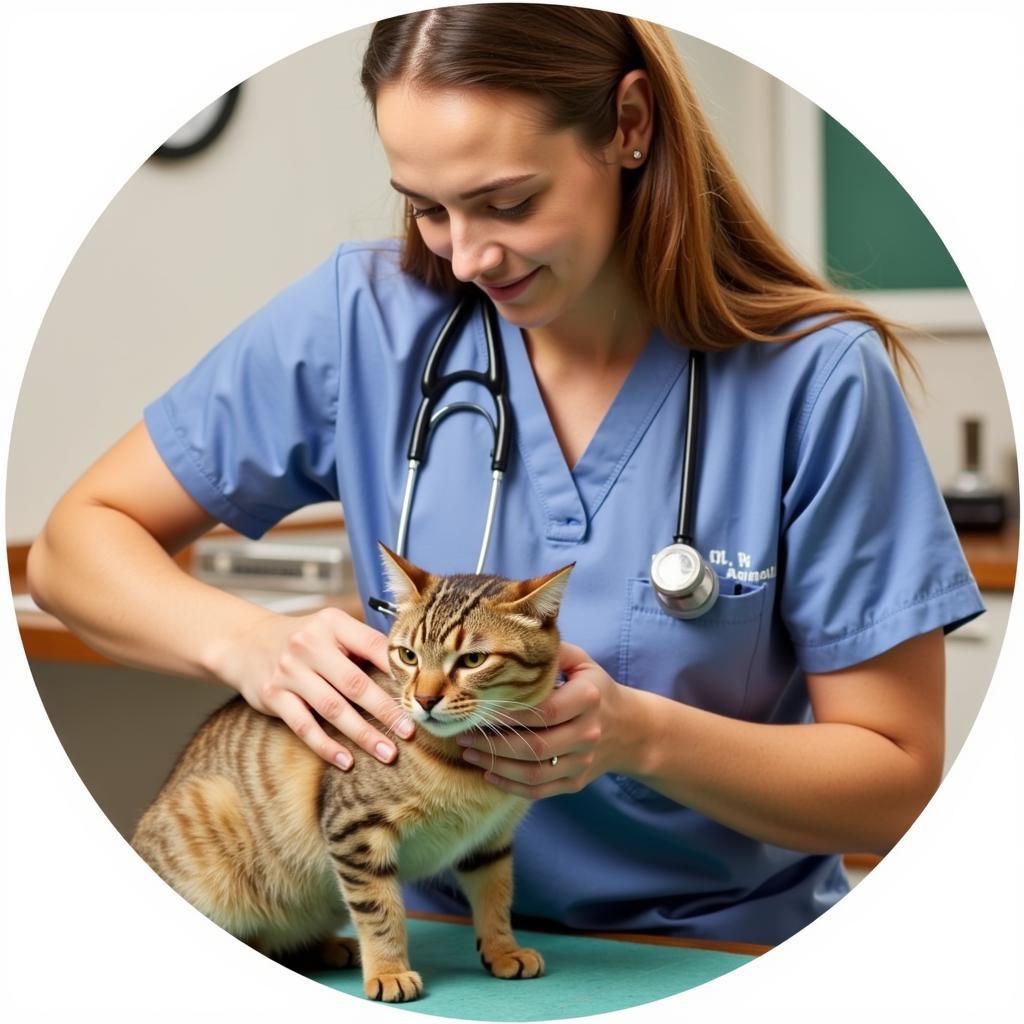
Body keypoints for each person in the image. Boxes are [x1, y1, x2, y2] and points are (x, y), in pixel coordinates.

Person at [27, 5, 984, 947]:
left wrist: (640, 738)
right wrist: (246, 646)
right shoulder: (365, 322)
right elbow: (74, 547)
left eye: (508, 202)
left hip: (710, 949)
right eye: (425, 206)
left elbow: (895, 787)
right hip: (416, 943)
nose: (469, 255)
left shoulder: (816, 379)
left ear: (631, 126)